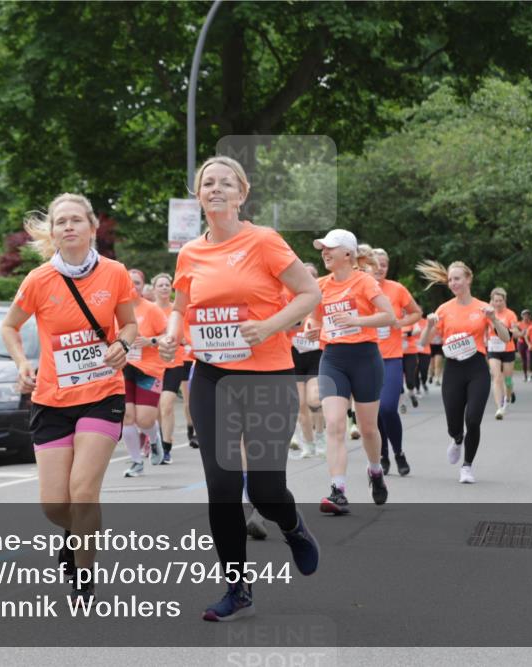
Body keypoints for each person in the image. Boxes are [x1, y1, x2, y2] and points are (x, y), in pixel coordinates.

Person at [158, 156, 321, 622]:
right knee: (223, 487)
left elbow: (311, 293)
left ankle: (292, 526)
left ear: (242, 193)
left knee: (267, 490)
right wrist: (172, 335)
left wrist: (269, 325)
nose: (216, 189)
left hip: (267, 377)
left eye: (225, 183)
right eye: (207, 183)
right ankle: (237, 588)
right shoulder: (190, 253)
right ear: (198, 194)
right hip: (212, 377)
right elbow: (182, 308)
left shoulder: (264, 241)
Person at [2, 193, 138, 601]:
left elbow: (129, 324)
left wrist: (123, 344)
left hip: (102, 393)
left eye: (76, 220)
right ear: (53, 232)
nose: (69, 227)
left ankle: (83, 573)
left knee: (82, 492)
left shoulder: (114, 274)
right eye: (60, 221)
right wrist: (22, 363)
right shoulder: (39, 279)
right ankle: (76, 533)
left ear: (92, 228)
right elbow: (10, 326)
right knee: (53, 505)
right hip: (51, 399)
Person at [303, 232, 396, 514]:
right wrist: (310, 326)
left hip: (365, 357)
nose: (324, 253)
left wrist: (357, 319)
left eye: (330, 248)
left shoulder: (364, 281)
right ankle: (338, 490)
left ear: (348, 253)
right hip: (332, 358)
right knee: (335, 424)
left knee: (368, 429)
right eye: (322, 249)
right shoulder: (320, 286)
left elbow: (389, 316)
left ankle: (375, 470)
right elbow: (314, 317)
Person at [417, 260, 510, 484]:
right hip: (454, 369)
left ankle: (467, 467)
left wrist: (493, 319)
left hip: (477, 367)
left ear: (468, 279)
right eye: (450, 280)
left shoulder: (482, 308)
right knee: (454, 423)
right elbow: (422, 343)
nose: (453, 283)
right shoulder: (444, 309)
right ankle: (457, 439)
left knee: (474, 419)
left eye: (457, 278)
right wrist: (429, 326)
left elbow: (506, 339)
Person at [371, 248, 421, 476]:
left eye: (384, 264)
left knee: (388, 407)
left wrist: (400, 324)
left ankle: (398, 452)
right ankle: (382, 455)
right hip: (366, 358)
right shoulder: (360, 288)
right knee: (374, 412)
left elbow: (416, 313)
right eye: (376, 264)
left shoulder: (397, 289)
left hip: (391, 357)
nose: (379, 268)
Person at [121, 268, 168, 474]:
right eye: (129, 282)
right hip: (123, 369)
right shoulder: (116, 309)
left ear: (143, 286)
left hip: (148, 370)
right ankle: (136, 462)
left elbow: (168, 336)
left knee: (145, 419)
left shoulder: (151, 309)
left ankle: (154, 438)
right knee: (127, 417)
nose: (133, 287)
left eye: (137, 283)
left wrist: (151, 341)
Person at [289, 262, 325, 459]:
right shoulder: (291, 299)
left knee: (315, 399)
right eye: (305, 275)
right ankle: (308, 444)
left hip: (316, 354)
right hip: (294, 354)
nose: (309, 278)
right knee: (300, 403)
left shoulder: (322, 300)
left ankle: (320, 436)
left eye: (313, 275)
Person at [152, 272, 184, 464]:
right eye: (160, 285)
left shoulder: (177, 312)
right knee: (154, 409)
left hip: (174, 363)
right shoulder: (149, 310)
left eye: (167, 285)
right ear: (154, 288)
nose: (164, 288)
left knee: (167, 405)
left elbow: (186, 333)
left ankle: (166, 446)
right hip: (152, 365)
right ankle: (155, 441)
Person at [487, 287, 521, 420]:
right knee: (496, 377)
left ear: (504, 301)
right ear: (492, 301)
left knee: (507, 380)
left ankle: (508, 395)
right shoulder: (488, 314)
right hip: (493, 349)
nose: (498, 303)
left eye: (500, 300)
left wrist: (507, 331)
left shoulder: (510, 314)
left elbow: (517, 332)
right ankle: (499, 407)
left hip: (508, 349)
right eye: (495, 300)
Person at [517, 309, 532, 382]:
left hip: (529, 342)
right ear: (522, 316)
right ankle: (525, 375)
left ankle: (531, 374)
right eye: (524, 315)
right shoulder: (519, 324)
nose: (526, 316)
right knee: (524, 360)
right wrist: (521, 333)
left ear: (529, 316)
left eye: (527, 315)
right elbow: (516, 334)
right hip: (521, 342)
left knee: (529, 358)